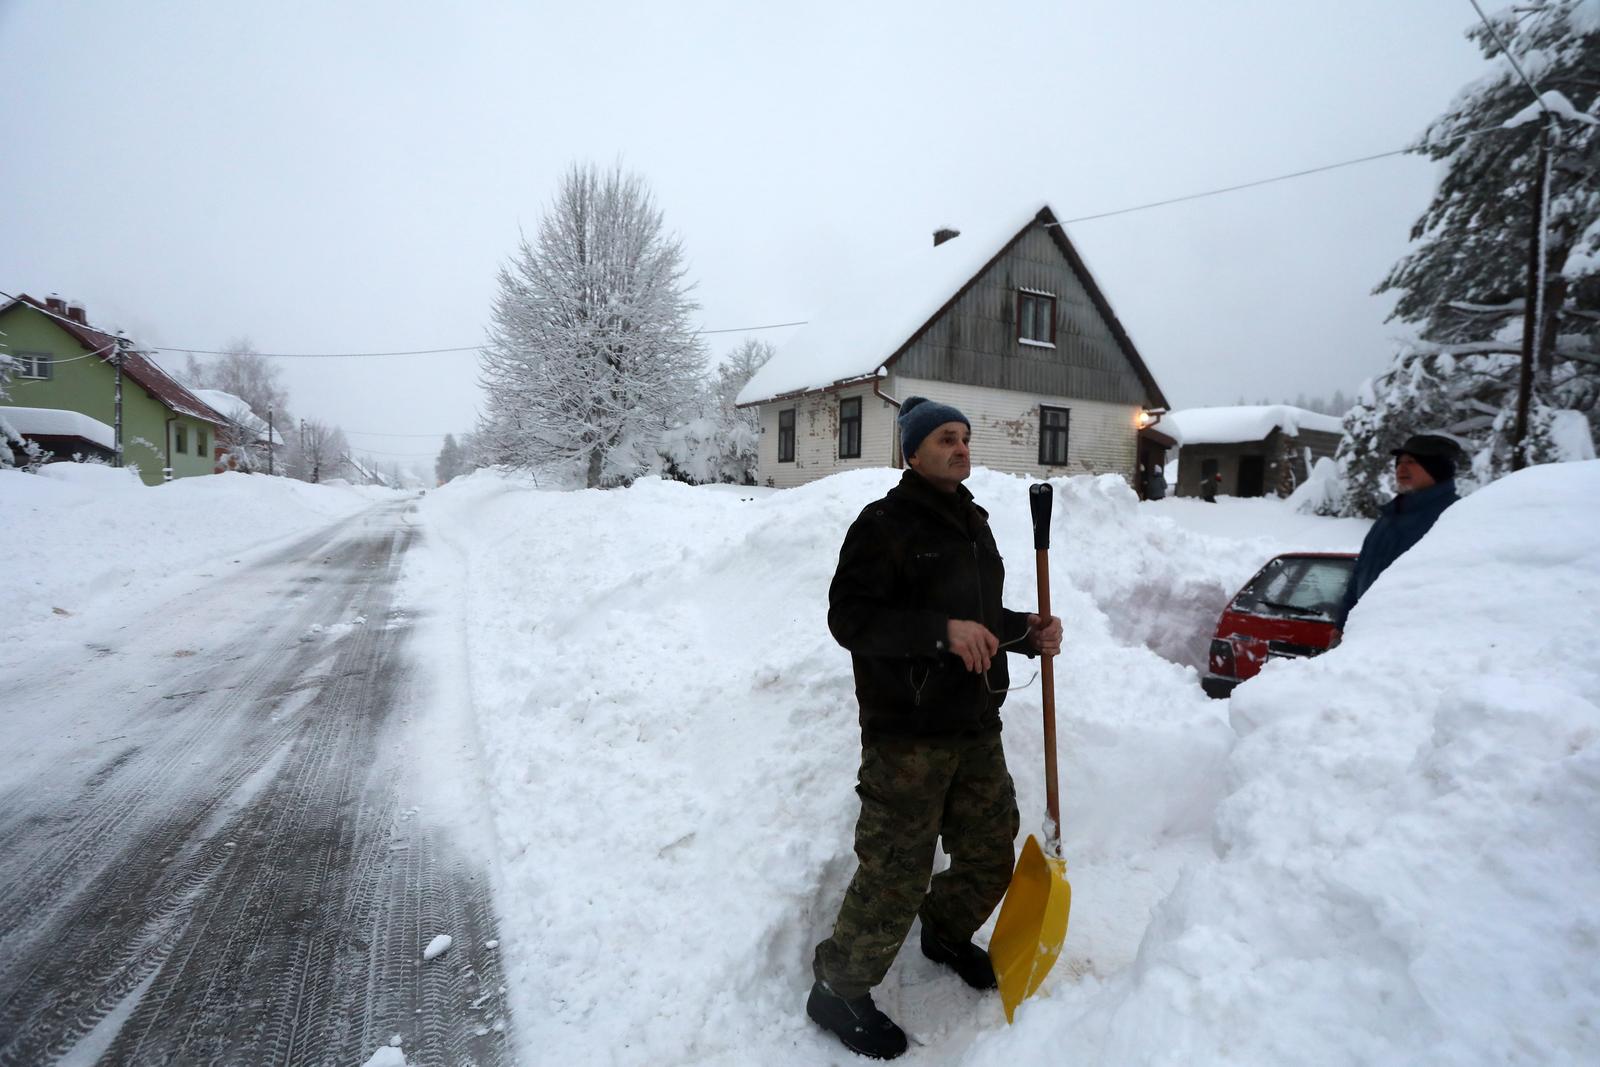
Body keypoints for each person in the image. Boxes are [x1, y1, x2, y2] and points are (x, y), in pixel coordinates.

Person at [806, 397, 1063, 1060]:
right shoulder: (884, 525)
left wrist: (1023, 632)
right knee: (896, 871)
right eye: (945, 438)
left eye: (965, 438)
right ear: (911, 452)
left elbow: (972, 613)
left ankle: (944, 932)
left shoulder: (972, 522)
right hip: (908, 736)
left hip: (976, 722)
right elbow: (850, 619)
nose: (960, 447)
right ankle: (837, 988)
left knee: (989, 853)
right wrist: (939, 634)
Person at [1334, 433, 1461, 635]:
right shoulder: (1389, 516)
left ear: (1436, 468)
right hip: (1363, 632)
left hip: (1409, 636)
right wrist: (1341, 626)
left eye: (1412, 461)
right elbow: (1360, 573)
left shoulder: (1453, 517)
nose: (1401, 468)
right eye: (1399, 462)